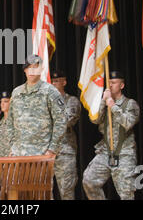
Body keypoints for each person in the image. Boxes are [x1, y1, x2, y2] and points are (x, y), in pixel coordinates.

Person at [82, 71, 140, 200]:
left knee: (126, 193)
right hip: (105, 151)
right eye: (108, 83)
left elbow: (128, 123)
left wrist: (113, 105)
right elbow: (95, 120)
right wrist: (104, 101)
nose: (110, 86)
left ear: (121, 85)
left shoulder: (130, 104)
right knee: (89, 181)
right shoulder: (103, 103)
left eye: (113, 83)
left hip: (124, 152)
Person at [8, 55, 66, 159]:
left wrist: (52, 149)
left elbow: (61, 121)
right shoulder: (16, 92)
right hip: (18, 153)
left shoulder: (50, 92)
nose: (32, 71)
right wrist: (12, 147)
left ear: (42, 69)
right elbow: (10, 121)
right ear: (25, 70)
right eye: (29, 67)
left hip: (42, 153)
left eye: (35, 67)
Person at [50, 70, 81, 200]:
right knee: (45, 191)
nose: (54, 84)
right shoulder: (46, 102)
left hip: (65, 151)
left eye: (57, 81)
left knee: (66, 191)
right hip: (47, 152)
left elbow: (68, 121)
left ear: (64, 82)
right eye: (52, 81)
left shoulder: (71, 101)